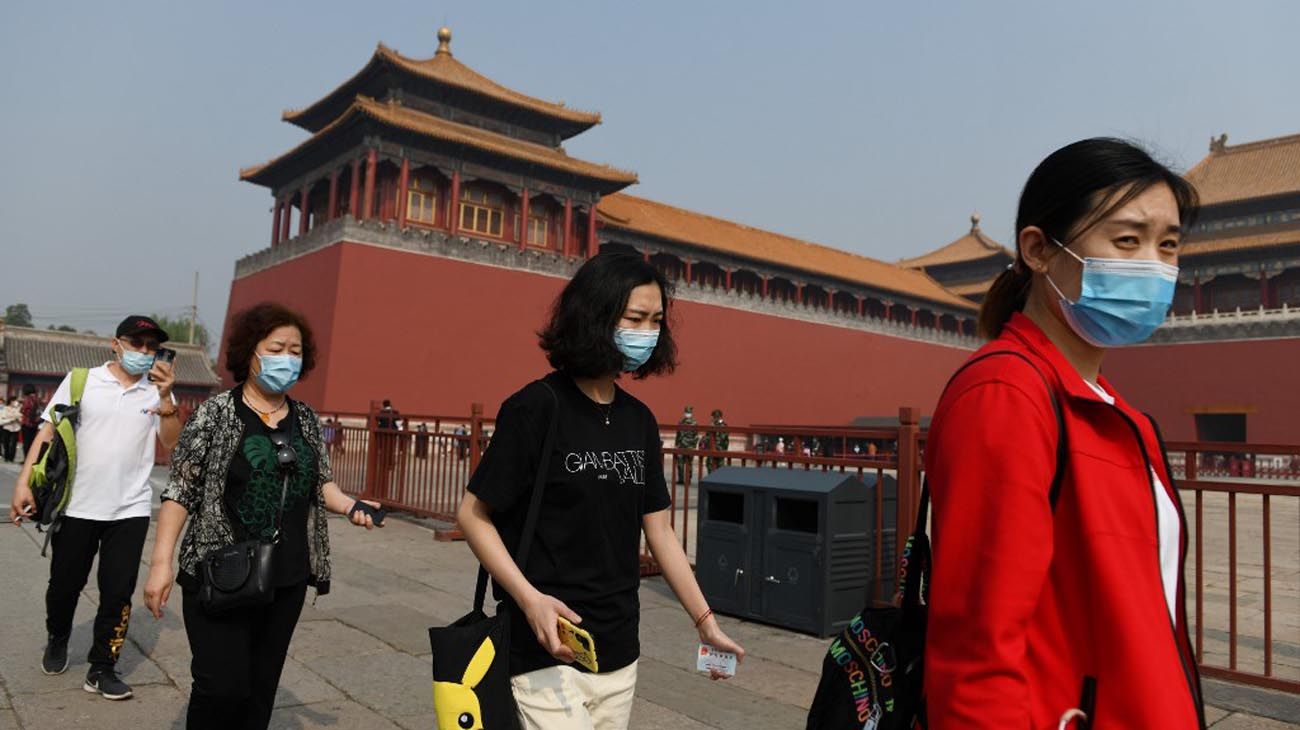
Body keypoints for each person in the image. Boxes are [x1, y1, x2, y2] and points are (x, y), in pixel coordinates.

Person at [923, 138, 1204, 728]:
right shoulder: (1007, 395)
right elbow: (978, 654)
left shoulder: (1111, 409)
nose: (1154, 264)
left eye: (1169, 244)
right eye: (1127, 240)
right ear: (1038, 250)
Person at [456, 252, 744, 729]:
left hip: (619, 646)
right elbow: (473, 514)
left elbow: (661, 532)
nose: (647, 332)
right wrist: (530, 599)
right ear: (596, 315)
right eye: (635, 318)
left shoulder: (639, 421)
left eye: (655, 320)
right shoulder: (536, 408)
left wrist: (704, 619)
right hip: (546, 643)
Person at [141, 302, 384, 729]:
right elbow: (181, 488)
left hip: (285, 575)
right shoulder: (216, 414)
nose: (287, 359)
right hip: (220, 571)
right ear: (250, 353)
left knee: (259, 690)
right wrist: (160, 564)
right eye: (277, 348)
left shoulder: (305, 418)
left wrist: (351, 506)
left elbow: (319, 481)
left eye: (295, 351)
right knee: (221, 688)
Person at [8, 316, 181, 700]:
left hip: (130, 509)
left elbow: (170, 444)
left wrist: (167, 399)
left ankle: (102, 667)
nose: (145, 353)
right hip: (78, 505)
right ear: (115, 344)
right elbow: (48, 432)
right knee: (64, 586)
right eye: (137, 343)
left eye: (152, 347)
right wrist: (23, 483)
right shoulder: (82, 381)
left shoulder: (156, 392)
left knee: (118, 592)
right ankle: (58, 636)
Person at [674, 406, 699, 485]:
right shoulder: (681, 422)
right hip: (681, 446)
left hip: (690, 447)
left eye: (688, 412)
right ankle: (681, 479)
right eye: (686, 412)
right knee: (680, 464)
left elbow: (696, 436)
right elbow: (678, 434)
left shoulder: (694, 423)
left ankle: (688, 479)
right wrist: (676, 444)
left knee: (689, 464)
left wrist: (694, 446)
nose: (687, 414)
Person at [18, 383, 42, 459]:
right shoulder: (37, 399)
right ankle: (30, 459)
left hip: (27, 423)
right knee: (31, 442)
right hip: (35, 424)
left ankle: (26, 459)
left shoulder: (28, 399)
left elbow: (23, 410)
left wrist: (21, 409)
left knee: (26, 443)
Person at [705, 408, 729, 473]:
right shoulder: (712, 425)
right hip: (712, 448)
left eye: (713, 417)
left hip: (719, 449)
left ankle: (718, 480)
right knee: (709, 464)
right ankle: (710, 479)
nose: (712, 419)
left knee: (719, 466)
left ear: (717, 417)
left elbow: (722, 439)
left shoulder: (723, 425)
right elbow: (707, 436)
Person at [0, 396, 20, 462]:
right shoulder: (4, 409)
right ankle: (6, 457)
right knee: (6, 443)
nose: (15, 402)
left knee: (14, 444)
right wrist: (10, 420)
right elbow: (2, 419)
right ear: (10, 401)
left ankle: (11, 458)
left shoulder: (18, 409)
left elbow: (21, 417)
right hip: (6, 427)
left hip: (16, 428)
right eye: (14, 401)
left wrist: (17, 417)